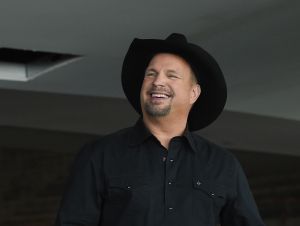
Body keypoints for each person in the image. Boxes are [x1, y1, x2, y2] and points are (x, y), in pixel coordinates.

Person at [55, 33, 265, 226]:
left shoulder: (222, 165)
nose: (158, 81)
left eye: (171, 76)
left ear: (194, 93)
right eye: (151, 74)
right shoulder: (99, 155)